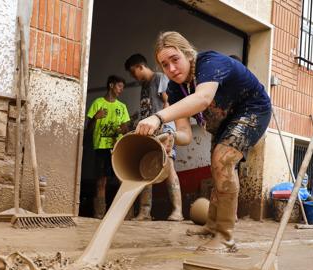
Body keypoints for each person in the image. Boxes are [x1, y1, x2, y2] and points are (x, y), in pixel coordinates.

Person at [135, 32, 272, 253]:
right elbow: (185, 134)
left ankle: (225, 236)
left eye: (175, 59)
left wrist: (158, 117)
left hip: (252, 110)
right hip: (223, 123)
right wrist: (169, 136)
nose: (171, 69)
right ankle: (211, 225)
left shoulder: (209, 62)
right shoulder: (174, 88)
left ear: (187, 53)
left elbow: (203, 99)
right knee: (217, 167)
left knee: (222, 161)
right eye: (164, 64)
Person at [124, 53, 183, 221]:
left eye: (132, 72)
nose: (132, 76)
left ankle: (177, 211)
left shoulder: (159, 78)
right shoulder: (144, 86)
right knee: (147, 169)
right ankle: (145, 211)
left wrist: (165, 128)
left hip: (164, 131)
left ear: (140, 67)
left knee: (169, 167)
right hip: (150, 133)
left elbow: (168, 102)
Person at [86, 75, 131, 218]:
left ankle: (125, 215)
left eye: (122, 88)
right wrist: (95, 117)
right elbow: (89, 128)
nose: (121, 90)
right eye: (119, 86)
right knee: (101, 182)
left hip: (117, 148)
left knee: (122, 180)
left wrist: (122, 130)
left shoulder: (122, 107)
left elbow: (126, 129)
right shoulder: (97, 103)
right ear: (111, 85)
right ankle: (99, 215)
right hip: (101, 148)